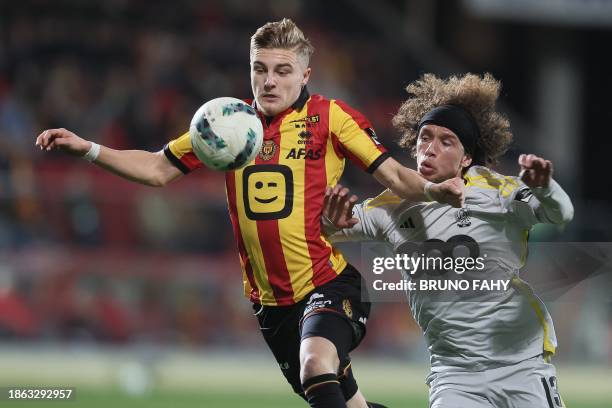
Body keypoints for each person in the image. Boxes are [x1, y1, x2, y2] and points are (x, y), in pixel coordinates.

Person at [35, 19, 464, 408]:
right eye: (260, 69)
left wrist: (433, 190)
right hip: (270, 305)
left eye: (282, 71)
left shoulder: (332, 118)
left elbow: (393, 175)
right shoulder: (227, 123)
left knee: (316, 364)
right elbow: (156, 168)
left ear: (304, 75)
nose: (269, 81)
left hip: (329, 283)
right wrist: (87, 148)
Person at [323, 73, 573, 408]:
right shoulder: (390, 206)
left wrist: (546, 188)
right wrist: (328, 222)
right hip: (454, 375)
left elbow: (561, 213)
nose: (430, 149)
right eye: (425, 138)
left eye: (446, 142)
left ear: (467, 157)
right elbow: (319, 232)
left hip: (521, 365)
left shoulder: (497, 192)